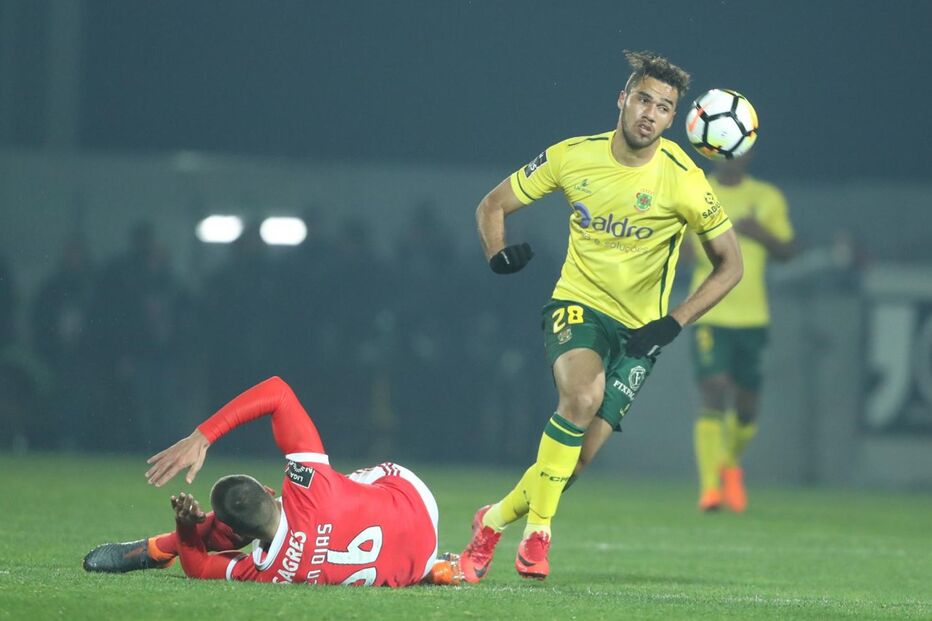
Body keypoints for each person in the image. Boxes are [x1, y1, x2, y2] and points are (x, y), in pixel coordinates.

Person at [461, 50, 743, 582]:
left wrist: (675, 321)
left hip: (641, 335)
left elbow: (731, 266)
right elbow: (491, 205)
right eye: (643, 99)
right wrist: (497, 254)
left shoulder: (684, 179)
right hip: (577, 306)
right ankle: (538, 534)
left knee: (576, 461)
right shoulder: (572, 157)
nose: (649, 114)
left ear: (673, 118)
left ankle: (491, 521)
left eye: (663, 107)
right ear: (622, 99)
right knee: (581, 397)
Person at [82, 376, 462, 586]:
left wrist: (186, 528)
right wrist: (203, 437)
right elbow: (278, 392)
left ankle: (158, 549)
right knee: (340, 490)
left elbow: (197, 568)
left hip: (411, 568)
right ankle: (162, 548)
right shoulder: (308, 484)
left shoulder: (272, 571)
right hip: (416, 504)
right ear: (269, 490)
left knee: (230, 521)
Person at [687, 151, 796, 512]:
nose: (730, 158)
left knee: (747, 406)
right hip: (709, 311)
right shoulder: (697, 191)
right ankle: (709, 489)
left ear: (749, 155)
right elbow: (681, 246)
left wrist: (758, 232)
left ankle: (729, 463)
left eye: (737, 151)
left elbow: (787, 250)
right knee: (714, 388)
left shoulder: (766, 197)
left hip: (752, 317)